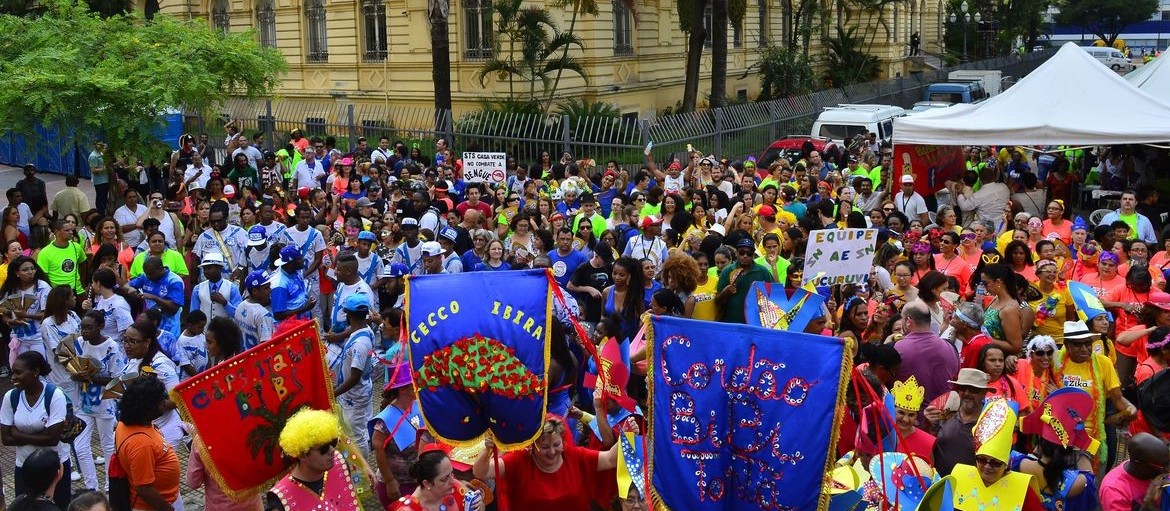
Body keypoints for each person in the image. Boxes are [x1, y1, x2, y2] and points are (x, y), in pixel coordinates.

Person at [473, 416, 619, 511]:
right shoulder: (518, 461)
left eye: (556, 444)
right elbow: (481, 472)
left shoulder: (576, 457)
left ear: (564, 441)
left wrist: (629, 434)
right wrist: (487, 450)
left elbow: (610, 459)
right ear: (532, 445)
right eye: (544, 447)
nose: (551, 452)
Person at [940, 398, 1045, 510]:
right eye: (982, 459)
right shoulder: (958, 478)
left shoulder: (1023, 490)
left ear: (1005, 463)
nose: (987, 466)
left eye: (995, 462)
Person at [1056, 320, 1136, 468]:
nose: (1084, 349)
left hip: (1094, 431)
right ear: (1066, 346)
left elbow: (1118, 398)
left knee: (1104, 464)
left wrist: (1130, 407)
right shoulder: (1056, 361)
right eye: (1077, 345)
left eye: (1087, 343)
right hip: (1062, 431)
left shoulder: (1103, 362)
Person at [1, 352, 72, 509]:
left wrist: (18, 434)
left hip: (54, 468)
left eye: (19, 372)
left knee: (59, 506)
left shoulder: (54, 395)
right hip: (24, 467)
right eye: (13, 372)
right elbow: (5, 438)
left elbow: (53, 439)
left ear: (35, 372)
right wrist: (43, 435)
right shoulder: (10, 397)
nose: (13, 377)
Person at [1014, 388, 1100, 511]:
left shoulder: (1018, 464)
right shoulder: (1078, 482)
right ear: (1069, 449)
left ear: (1040, 441)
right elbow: (1090, 481)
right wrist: (1078, 442)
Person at [265, 409, 362, 511]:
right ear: (302, 455)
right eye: (323, 449)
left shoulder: (339, 464)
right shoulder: (281, 500)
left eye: (333, 443)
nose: (332, 450)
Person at [113, 376, 182, 511]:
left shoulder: (128, 423)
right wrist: (168, 510)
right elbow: (144, 488)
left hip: (167, 498)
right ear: (147, 409)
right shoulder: (140, 444)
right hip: (155, 506)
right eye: (161, 402)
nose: (166, 403)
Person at [327, 293, 376, 456]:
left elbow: (354, 377)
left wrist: (334, 393)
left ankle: (363, 472)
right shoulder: (365, 329)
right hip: (358, 392)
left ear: (349, 315)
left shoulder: (359, 345)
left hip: (354, 396)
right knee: (359, 429)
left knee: (357, 436)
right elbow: (352, 331)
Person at [925, 368, 991, 476]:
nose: (967, 393)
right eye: (962, 388)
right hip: (939, 483)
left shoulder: (988, 422)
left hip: (969, 487)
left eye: (973, 389)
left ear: (984, 393)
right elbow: (929, 445)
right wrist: (929, 424)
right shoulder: (944, 411)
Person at [894, 301, 959, 407]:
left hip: (909, 418)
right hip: (943, 415)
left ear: (908, 321)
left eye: (902, 319)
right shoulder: (950, 348)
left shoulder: (897, 348)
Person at [391, 443, 486, 511]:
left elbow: (479, 507)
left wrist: (479, 506)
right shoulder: (407, 509)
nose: (453, 481)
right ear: (427, 483)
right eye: (444, 479)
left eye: (451, 474)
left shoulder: (456, 488)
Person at [1098, 433, 1169, 510]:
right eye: (1164, 466)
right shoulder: (1114, 490)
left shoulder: (1148, 468)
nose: (1168, 469)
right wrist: (1149, 504)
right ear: (1140, 465)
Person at [715, 237, 774, 323]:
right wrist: (726, 291)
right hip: (731, 322)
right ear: (737, 253)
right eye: (742, 253)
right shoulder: (727, 270)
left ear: (753, 255)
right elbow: (717, 301)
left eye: (749, 253)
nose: (745, 256)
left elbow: (773, 294)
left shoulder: (762, 271)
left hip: (755, 322)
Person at [126, 256, 184, 339]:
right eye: (146, 273)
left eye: (150, 273)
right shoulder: (146, 276)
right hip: (149, 328)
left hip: (169, 330)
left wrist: (154, 298)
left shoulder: (174, 281)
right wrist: (131, 290)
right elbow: (126, 286)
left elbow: (174, 308)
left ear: (160, 268)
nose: (148, 276)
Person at [891, 376, 935, 464]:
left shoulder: (926, 442)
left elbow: (930, 472)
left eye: (911, 415)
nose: (906, 419)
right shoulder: (881, 433)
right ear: (892, 410)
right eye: (901, 413)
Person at [235, 270, 276, 351]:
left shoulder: (240, 307)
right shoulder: (263, 315)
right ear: (255, 291)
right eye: (266, 288)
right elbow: (266, 346)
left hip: (243, 357)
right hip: (257, 360)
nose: (270, 290)